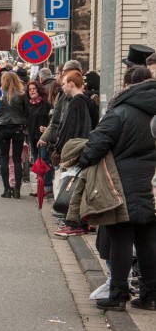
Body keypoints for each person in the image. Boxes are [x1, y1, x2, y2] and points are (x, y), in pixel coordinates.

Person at [73, 75, 156, 311]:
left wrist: (83, 162)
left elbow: (99, 141)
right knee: (147, 239)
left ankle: (118, 295)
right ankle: (150, 295)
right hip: (149, 180)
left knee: (120, 237)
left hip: (120, 181)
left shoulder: (121, 111)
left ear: (128, 86)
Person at [52, 70, 99, 237]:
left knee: (72, 186)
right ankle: (79, 222)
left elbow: (68, 128)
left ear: (71, 83)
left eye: (64, 83)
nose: (63, 87)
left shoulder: (75, 103)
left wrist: (59, 149)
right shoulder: (88, 102)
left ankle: (74, 222)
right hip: (85, 148)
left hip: (75, 149)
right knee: (80, 186)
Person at [0, 71, 28, 199]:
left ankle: (7, 189)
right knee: (16, 159)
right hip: (17, 128)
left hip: (3, 127)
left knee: (3, 158)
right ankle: (17, 190)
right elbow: (26, 112)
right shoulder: (21, 95)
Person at [25, 80, 51, 196]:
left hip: (44, 137)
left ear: (39, 90)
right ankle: (40, 188)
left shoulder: (46, 103)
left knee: (44, 160)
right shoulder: (28, 105)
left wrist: (47, 128)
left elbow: (52, 119)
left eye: (34, 89)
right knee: (37, 162)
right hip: (33, 136)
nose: (32, 91)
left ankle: (47, 186)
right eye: (30, 89)